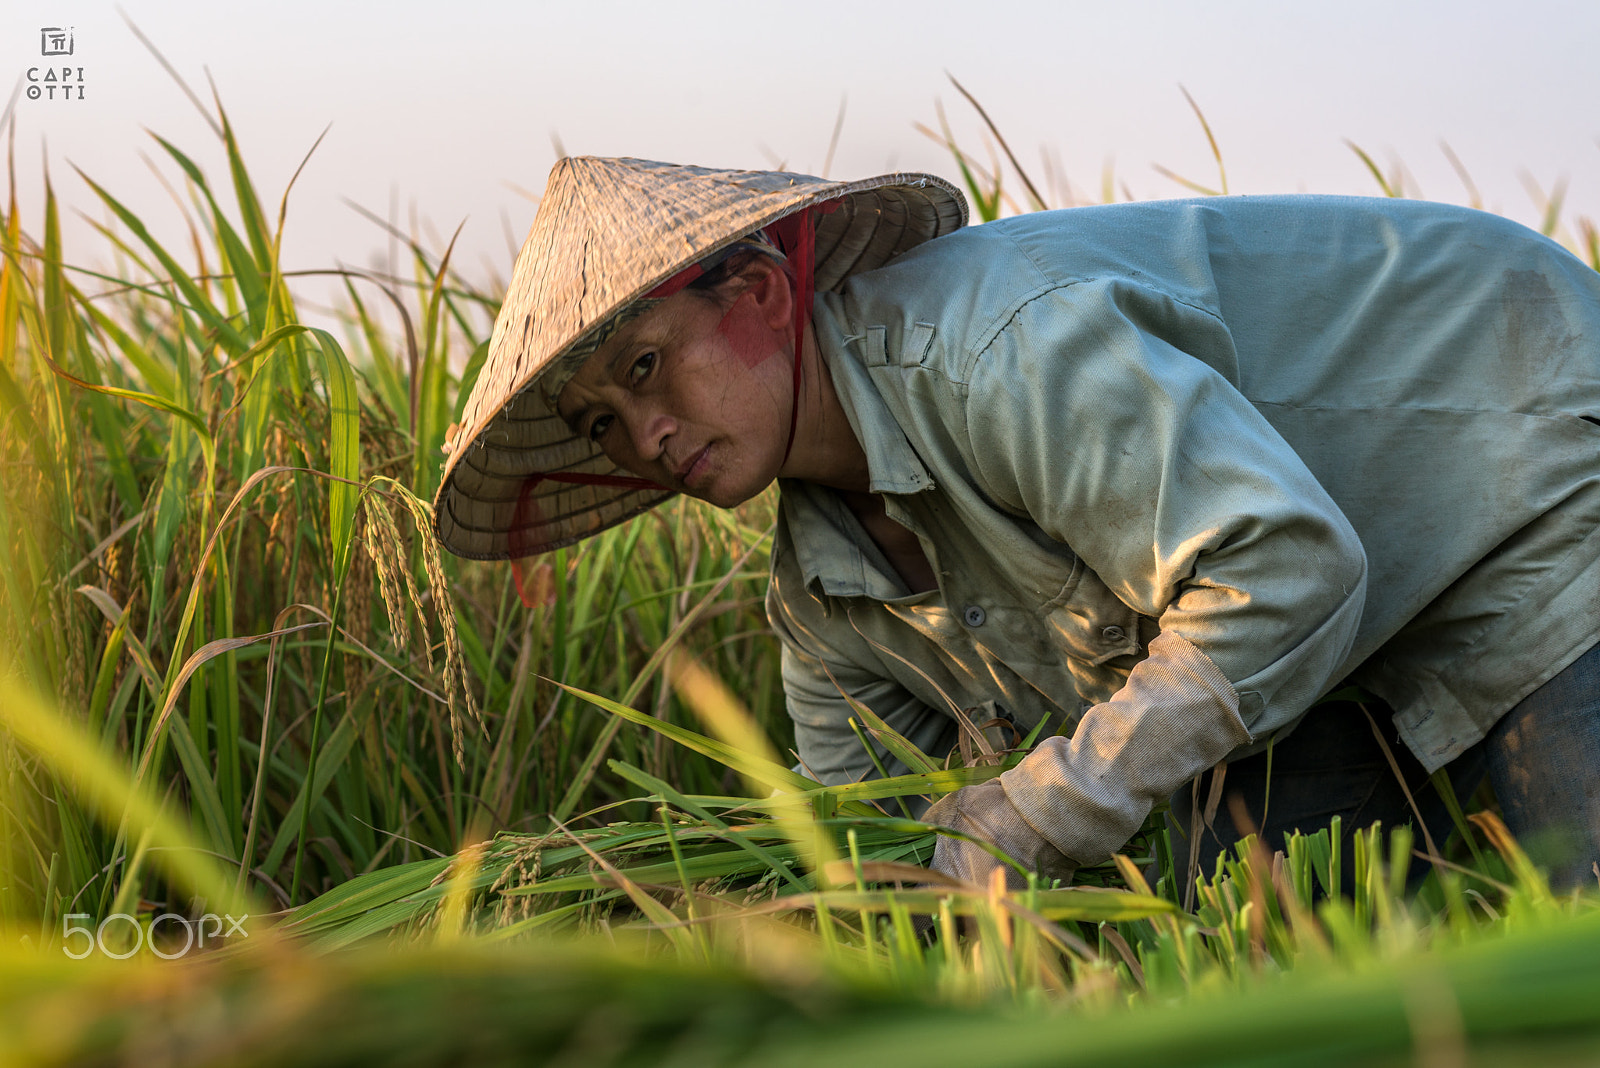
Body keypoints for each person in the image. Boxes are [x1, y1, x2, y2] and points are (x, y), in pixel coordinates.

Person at [433, 157, 1600, 892]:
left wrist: (1048, 799)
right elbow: (868, 844)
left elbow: (1278, 565)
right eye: (600, 425)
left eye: (647, 366)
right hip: (1348, 640)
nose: (642, 435)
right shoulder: (821, 591)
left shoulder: (992, 352)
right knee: (1222, 902)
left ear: (761, 293)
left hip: (1517, 461)